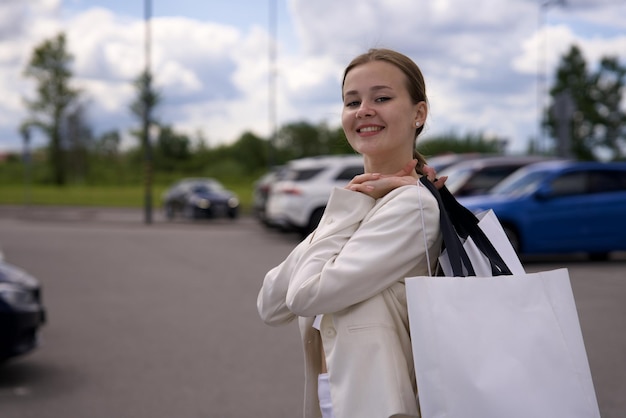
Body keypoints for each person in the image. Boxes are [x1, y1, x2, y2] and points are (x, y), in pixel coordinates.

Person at [257, 48, 445, 418]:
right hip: (336, 404)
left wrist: (343, 210)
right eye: (351, 101)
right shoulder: (363, 202)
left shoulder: (414, 207)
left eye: (382, 98)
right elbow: (270, 303)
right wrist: (351, 203)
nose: (364, 110)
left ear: (418, 114)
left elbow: (305, 295)